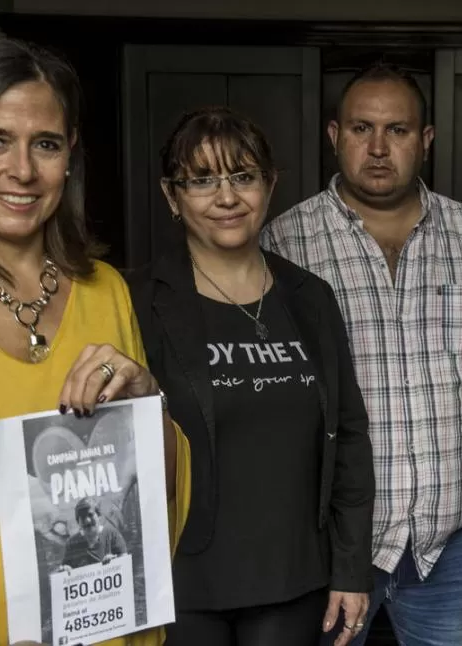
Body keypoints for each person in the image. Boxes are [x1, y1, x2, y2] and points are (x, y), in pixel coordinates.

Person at [0, 39, 190, 646]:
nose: (24, 171)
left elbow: (152, 505)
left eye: (47, 144)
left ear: (71, 154)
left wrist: (149, 399)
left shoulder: (105, 291)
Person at [261, 63, 462, 644]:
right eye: (362, 129)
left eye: (399, 131)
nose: (379, 148)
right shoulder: (285, 243)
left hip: (453, 538)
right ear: (335, 137)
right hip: (329, 543)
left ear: (427, 140)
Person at [126, 105, 375, 646]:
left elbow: (350, 438)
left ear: (269, 183)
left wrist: (351, 569)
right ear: (172, 196)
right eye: (201, 181)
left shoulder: (310, 299)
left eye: (243, 177)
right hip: (180, 583)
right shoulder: (135, 301)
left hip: (295, 578)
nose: (226, 197)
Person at [58, 497, 129, 570]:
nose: (87, 520)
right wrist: (65, 569)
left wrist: (115, 562)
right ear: (78, 522)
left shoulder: (112, 534)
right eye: (82, 517)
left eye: (90, 515)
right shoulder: (72, 543)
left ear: (98, 516)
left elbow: (125, 561)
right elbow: (65, 568)